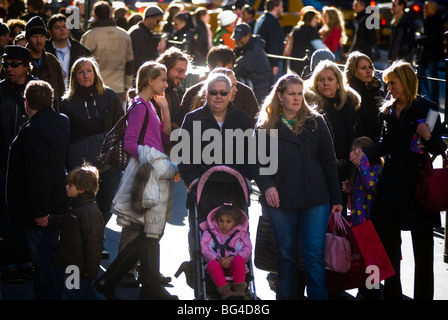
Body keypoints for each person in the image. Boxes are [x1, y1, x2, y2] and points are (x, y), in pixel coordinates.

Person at [350, 60, 444, 300]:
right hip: (392, 183)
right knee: (388, 244)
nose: (389, 87)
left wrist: (428, 135)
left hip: (416, 184)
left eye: (393, 83)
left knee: (423, 249)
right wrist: (365, 153)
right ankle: (392, 295)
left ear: (406, 81)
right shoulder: (388, 109)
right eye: (388, 83)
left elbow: (437, 147)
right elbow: (386, 144)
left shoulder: (427, 108)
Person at [94, 61, 178, 300]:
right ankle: (117, 280)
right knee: (148, 231)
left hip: (152, 170)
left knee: (150, 231)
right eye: (162, 79)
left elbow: (164, 137)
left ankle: (146, 284)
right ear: (150, 80)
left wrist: (165, 110)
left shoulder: (149, 105)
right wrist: (153, 160)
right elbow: (131, 143)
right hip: (147, 173)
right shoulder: (140, 106)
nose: (166, 83)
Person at [254, 73, 343, 300]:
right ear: (280, 97)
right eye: (291, 94)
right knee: (286, 255)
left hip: (315, 198)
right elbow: (257, 163)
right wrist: (267, 186)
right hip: (281, 199)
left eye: (300, 94)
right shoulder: (266, 126)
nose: (296, 98)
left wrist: (336, 199)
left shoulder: (316, 121)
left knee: (313, 256)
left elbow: (329, 161)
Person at [7, 80, 70, 299]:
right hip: (56, 202)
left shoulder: (32, 132)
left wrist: (39, 211)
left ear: (27, 102)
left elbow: (37, 174)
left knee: (45, 263)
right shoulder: (61, 122)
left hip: (40, 209)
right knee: (49, 260)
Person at [60, 57, 124, 258]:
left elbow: (121, 127)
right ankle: (84, 243)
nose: (86, 75)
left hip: (108, 160)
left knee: (106, 203)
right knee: (84, 203)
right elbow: (65, 135)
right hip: (80, 162)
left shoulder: (109, 96)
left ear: (95, 73)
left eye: (89, 70)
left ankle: (98, 238)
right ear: (74, 77)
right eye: (81, 72)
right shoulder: (67, 103)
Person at [177, 72, 256, 188]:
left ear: (229, 95)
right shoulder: (192, 119)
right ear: (206, 94)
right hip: (202, 188)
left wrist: (245, 177)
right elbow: (183, 154)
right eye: (213, 92)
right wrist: (193, 179)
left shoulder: (243, 119)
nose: (219, 96)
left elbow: (253, 152)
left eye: (223, 93)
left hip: (236, 188)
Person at [304, 60, 361, 217]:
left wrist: (352, 175)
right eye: (321, 80)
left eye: (330, 79)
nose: (325, 83)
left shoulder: (351, 103)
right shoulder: (310, 107)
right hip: (321, 172)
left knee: (340, 221)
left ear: (338, 81)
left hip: (346, 170)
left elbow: (356, 137)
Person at [0, 45, 35, 284]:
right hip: (3, 165)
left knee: (28, 215)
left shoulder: (37, 89)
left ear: (26, 67)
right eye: (6, 63)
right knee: (5, 216)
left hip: (30, 165)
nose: (8, 68)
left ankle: (28, 262)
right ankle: (10, 264)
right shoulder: (0, 90)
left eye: (14, 64)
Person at [48, 164, 104, 300]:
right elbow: (68, 222)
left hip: (75, 268)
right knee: (84, 293)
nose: (66, 187)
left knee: (70, 295)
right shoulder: (77, 207)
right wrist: (50, 220)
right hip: (70, 264)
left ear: (81, 189)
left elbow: (94, 244)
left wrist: (90, 271)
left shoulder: (89, 212)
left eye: (70, 185)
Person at [342, 136, 382, 300]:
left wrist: (363, 164)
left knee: (372, 261)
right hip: (360, 222)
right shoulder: (360, 171)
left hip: (371, 224)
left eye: (357, 153)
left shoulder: (375, 169)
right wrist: (351, 190)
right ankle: (363, 288)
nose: (353, 157)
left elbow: (371, 184)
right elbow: (362, 192)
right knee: (362, 258)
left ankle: (372, 292)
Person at [179, 45, 259, 124]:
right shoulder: (192, 93)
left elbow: (255, 128)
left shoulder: (245, 94)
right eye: (220, 71)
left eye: (228, 70)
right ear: (210, 68)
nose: (224, 76)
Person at [81, 1, 134, 105]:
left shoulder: (89, 36)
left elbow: (81, 63)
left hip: (95, 87)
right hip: (118, 87)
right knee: (116, 119)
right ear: (110, 15)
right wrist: (127, 86)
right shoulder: (124, 35)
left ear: (95, 15)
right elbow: (130, 64)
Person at [200, 203, 252, 299]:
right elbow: (205, 248)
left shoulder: (241, 235)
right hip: (217, 265)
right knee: (212, 264)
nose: (224, 224)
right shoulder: (210, 233)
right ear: (216, 220)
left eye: (228, 221)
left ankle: (239, 292)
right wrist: (217, 259)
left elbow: (247, 249)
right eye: (221, 221)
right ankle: (226, 293)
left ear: (235, 222)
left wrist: (232, 258)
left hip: (235, 268)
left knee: (239, 259)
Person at [25, 15, 65, 111]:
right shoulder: (19, 61)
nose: (39, 41)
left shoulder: (52, 61)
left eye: (42, 36)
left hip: (50, 114)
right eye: (35, 37)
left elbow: (61, 91)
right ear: (28, 38)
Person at [344, 51, 384, 142]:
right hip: (358, 144)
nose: (368, 71)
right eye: (363, 68)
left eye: (370, 67)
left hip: (377, 144)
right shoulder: (349, 95)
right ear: (353, 71)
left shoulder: (378, 92)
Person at [45, 13, 92, 89]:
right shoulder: (44, 50)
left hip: (75, 94)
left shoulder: (80, 50)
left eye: (65, 26)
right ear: (50, 32)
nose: (62, 29)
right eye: (57, 27)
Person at [232, 23, 273, 105]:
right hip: (256, 84)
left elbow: (241, 70)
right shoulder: (244, 47)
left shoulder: (253, 49)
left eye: (240, 38)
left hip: (261, 86)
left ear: (248, 35)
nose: (237, 41)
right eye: (236, 38)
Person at [416, 0, 444, 107]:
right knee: (422, 75)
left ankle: (433, 100)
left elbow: (433, 38)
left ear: (431, 10)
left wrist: (420, 40)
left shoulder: (436, 21)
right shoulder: (427, 19)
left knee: (432, 77)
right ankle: (428, 98)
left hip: (433, 54)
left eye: (426, 8)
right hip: (426, 53)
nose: (424, 10)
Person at [284, 8, 326, 76]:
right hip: (306, 65)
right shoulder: (311, 32)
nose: (317, 21)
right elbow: (320, 47)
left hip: (294, 63)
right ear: (311, 19)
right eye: (315, 18)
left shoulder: (296, 29)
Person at [253, 0, 285, 81]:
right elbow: (273, 43)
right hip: (271, 62)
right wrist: (275, 64)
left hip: (262, 60)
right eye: (281, 6)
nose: (282, 9)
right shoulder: (272, 22)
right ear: (275, 8)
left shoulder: (261, 19)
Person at [128, 5, 164, 75]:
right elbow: (141, 59)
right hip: (139, 75)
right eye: (158, 21)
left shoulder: (141, 31)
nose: (158, 24)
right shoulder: (138, 33)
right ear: (150, 18)